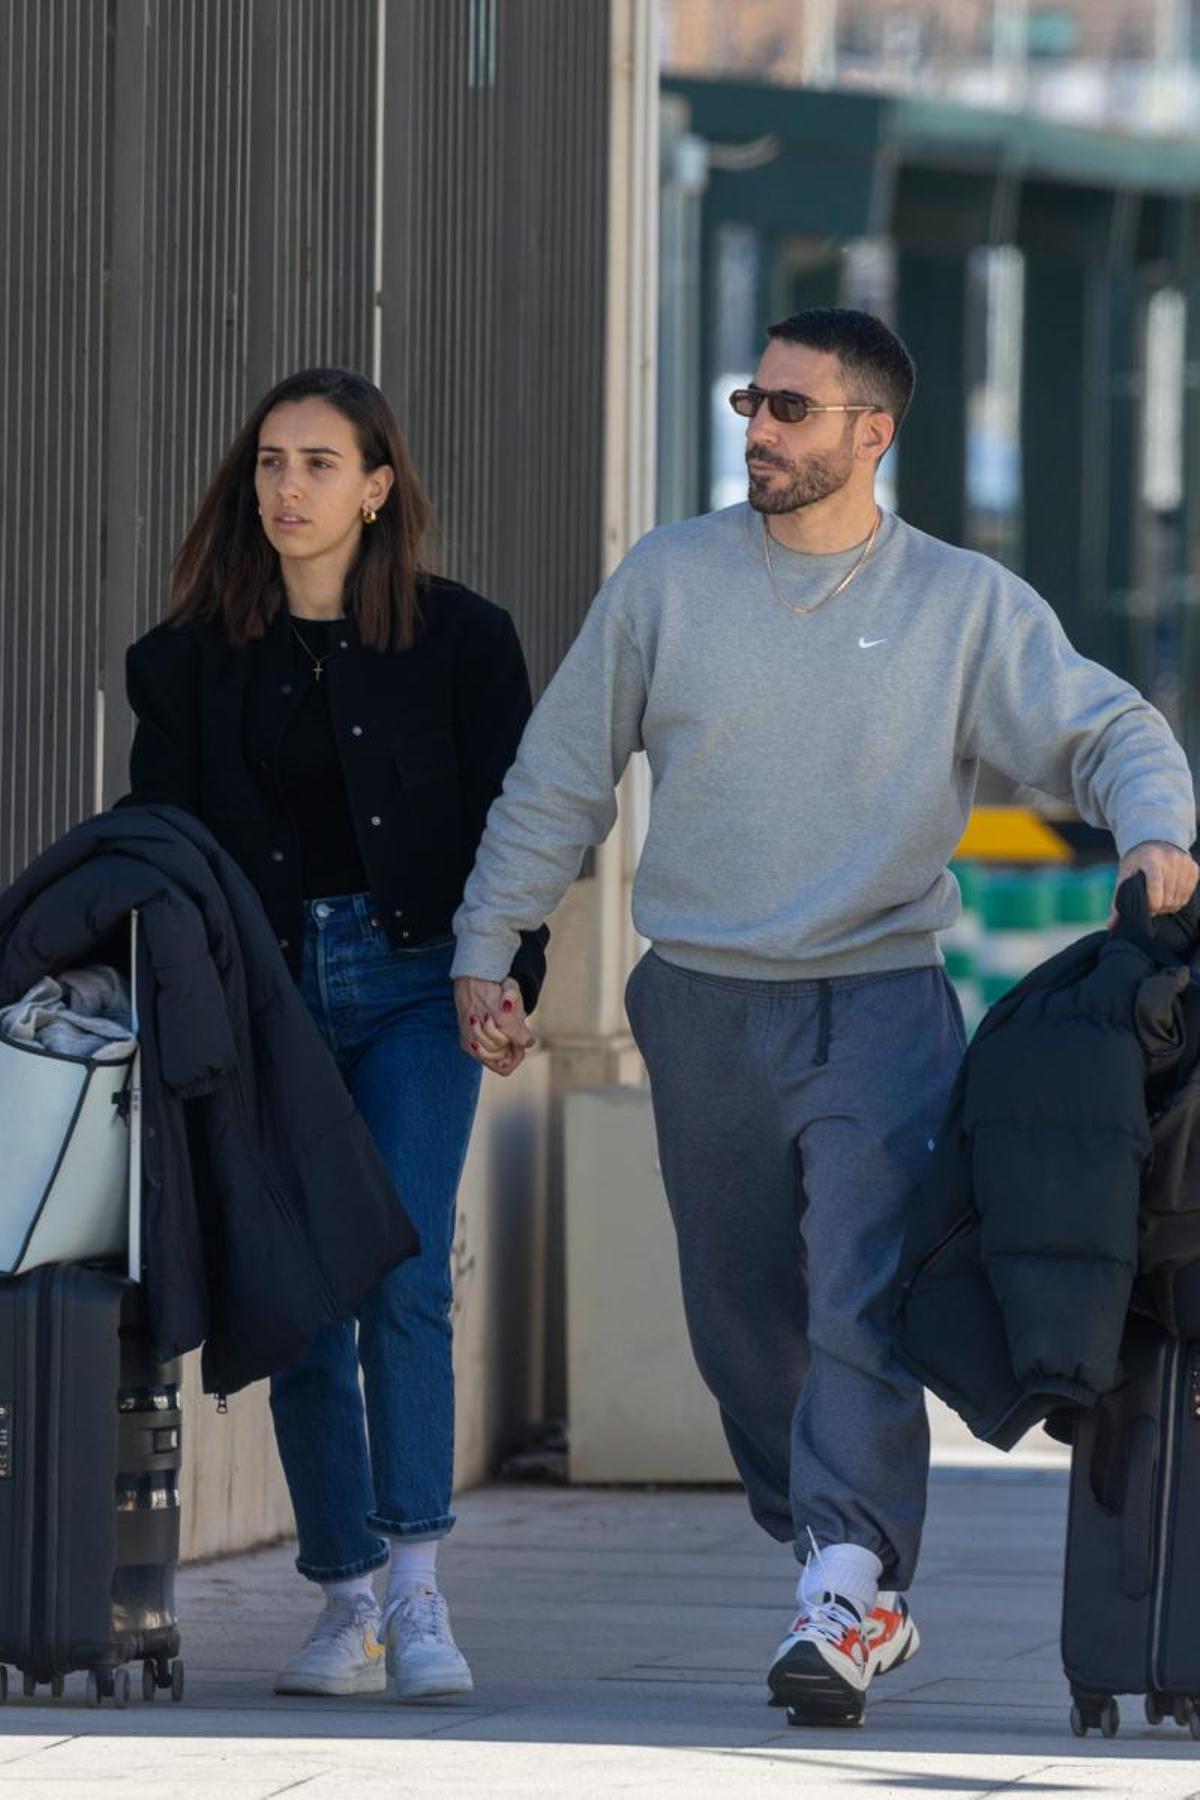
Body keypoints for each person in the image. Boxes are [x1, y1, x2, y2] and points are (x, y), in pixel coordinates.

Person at [450, 308, 1199, 1724]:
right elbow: (560, 777)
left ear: (874, 432)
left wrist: (1155, 832)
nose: (760, 431)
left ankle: (848, 1581)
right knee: (742, 1321)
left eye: (791, 409)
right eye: (752, 402)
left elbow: (1110, 729)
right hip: (702, 1002)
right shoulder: (669, 580)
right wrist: (492, 943)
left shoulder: (961, 605)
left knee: (861, 1292)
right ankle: (828, 1545)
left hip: (879, 1004)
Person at [123, 367, 545, 1702]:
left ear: (378, 487)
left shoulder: (465, 642)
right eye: (267, 464)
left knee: (402, 1270)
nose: (285, 488)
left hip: (422, 984)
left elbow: (515, 825)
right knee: (302, 1300)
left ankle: (422, 1597)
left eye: (316, 463)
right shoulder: (191, 659)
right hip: (270, 1001)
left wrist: (509, 970)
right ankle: (344, 1597)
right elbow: (165, 853)